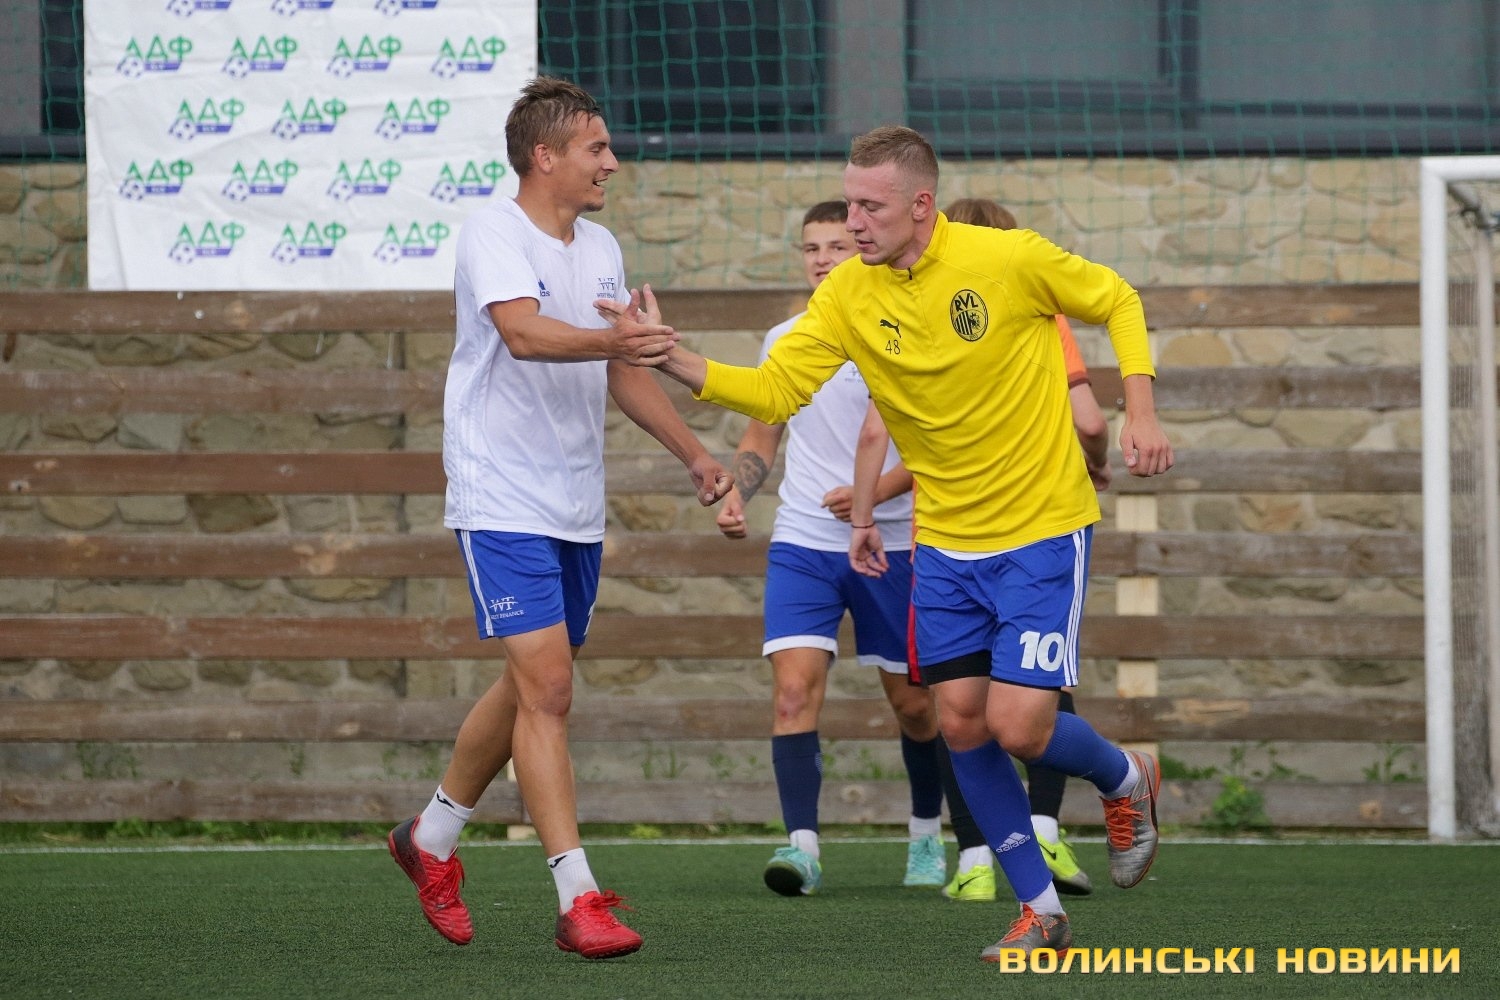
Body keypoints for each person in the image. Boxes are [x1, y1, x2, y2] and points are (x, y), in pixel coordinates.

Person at [630, 125, 1173, 960]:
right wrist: (671, 356)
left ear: (920, 205)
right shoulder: (849, 292)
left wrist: (1141, 409)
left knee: (1020, 726)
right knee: (961, 723)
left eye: (868, 206)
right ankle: (1040, 912)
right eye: (847, 203)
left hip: (1039, 528)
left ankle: (1124, 776)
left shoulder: (1006, 258)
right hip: (945, 542)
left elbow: (1120, 300)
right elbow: (775, 390)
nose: (852, 222)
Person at [387, 76, 731, 961]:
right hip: (500, 491)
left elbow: (622, 370)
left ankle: (429, 837)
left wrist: (695, 456)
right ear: (545, 157)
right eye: (596, 148)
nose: (612, 162)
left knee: (530, 682)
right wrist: (619, 339)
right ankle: (579, 899)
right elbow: (525, 333)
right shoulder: (493, 230)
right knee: (548, 688)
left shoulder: (602, 245)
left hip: (575, 500)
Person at [714, 200, 946, 897]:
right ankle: (802, 849)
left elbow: (942, 442)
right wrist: (737, 492)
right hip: (804, 542)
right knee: (792, 694)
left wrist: (874, 494)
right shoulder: (784, 339)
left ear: (864, 248)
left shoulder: (907, 332)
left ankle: (927, 834)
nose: (822, 259)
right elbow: (762, 434)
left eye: (836, 245)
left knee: (915, 706)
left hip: (896, 544)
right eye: (811, 247)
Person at [932, 197, 1111, 903]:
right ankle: (1043, 832)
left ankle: (976, 854)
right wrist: (1097, 461)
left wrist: (868, 502)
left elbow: (890, 434)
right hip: (1023, 529)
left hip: (953, 535)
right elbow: (1088, 420)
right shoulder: (1038, 307)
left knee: (966, 709)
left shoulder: (924, 311)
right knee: (1022, 697)